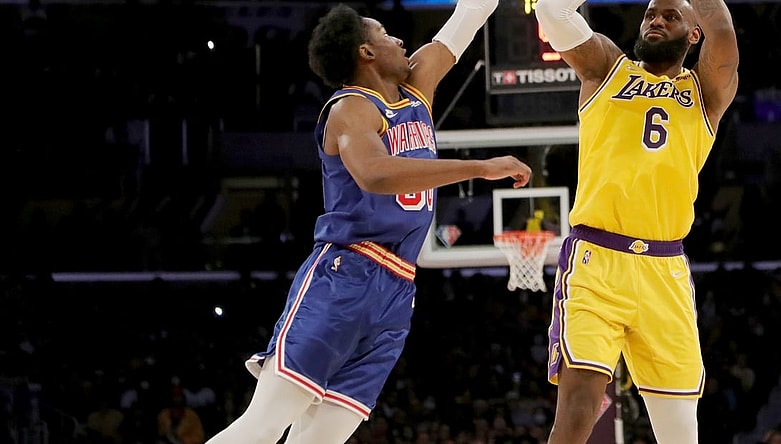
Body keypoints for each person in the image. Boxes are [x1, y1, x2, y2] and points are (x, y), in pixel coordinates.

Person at [206, 1, 532, 443]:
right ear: (366, 52)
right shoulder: (350, 109)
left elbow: (466, 19)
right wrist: (478, 168)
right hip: (345, 275)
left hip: (397, 290)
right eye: (386, 34)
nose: (400, 40)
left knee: (321, 440)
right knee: (263, 425)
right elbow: (377, 174)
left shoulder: (416, 90)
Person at [533, 0, 739, 441]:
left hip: (665, 267)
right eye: (650, 14)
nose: (656, 21)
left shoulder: (706, 91)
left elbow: (723, 32)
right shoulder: (607, 66)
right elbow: (552, 12)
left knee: (681, 431)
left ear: (693, 33)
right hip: (597, 259)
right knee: (579, 407)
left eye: (670, 16)